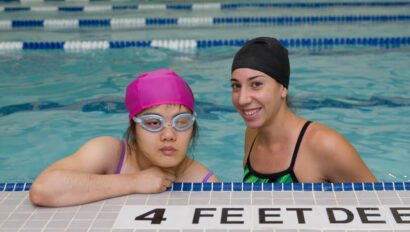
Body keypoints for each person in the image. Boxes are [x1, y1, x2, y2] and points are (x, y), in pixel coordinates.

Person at [30, 69, 219, 207]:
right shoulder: (109, 153)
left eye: (181, 122)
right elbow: (42, 189)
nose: (169, 135)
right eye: (153, 123)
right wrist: (135, 182)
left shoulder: (205, 183)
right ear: (133, 128)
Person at [230, 37, 377, 183]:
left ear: (283, 88)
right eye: (236, 86)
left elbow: (380, 200)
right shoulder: (252, 136)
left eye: (256, 84)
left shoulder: (325, 145)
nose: (242, 99)